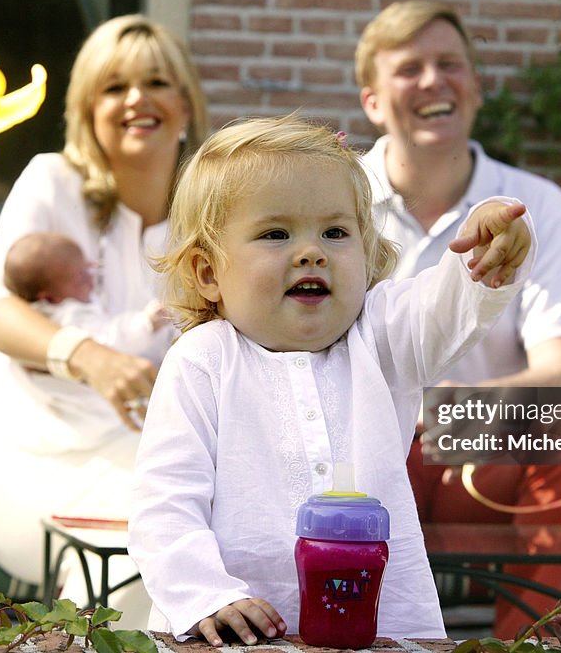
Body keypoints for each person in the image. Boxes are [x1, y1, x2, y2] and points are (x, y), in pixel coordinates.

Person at [127, 114, 536, 645]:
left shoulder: (384, 337)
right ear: (208, 273)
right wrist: (207, 595)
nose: (311, 250)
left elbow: (448, 304)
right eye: (276, 233)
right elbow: (165, 502)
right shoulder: (203, 362)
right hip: (241, 633)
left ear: (365, 255)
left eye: (336, 232)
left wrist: (488, 243)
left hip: (385, 629)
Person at [355, 0, 561, 639]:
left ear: (475, 88)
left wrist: (450, 411)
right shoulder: (338, 197)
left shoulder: (538, 206)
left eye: (450, 64)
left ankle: (531, 644)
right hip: (367, 443)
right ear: (371, 102)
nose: (432, 81)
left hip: (482, 445)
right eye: (409, 68)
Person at [0, 14, 208, 627]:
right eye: (114, 88)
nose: (136, 98)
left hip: (154, 457)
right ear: (88, 111)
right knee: (141, 542)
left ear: (187, 104)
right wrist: (89, 356)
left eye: (157, 82)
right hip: (20, 450)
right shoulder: (51, 180)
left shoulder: (211, 215)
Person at [1, 231, 175, 433]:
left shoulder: (65, 301)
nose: (91, 274)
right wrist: (146, 323)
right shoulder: (68, 316)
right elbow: (107, 342)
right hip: (81, 411)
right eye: (81, 277)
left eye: (88, 265)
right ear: (49, 298)